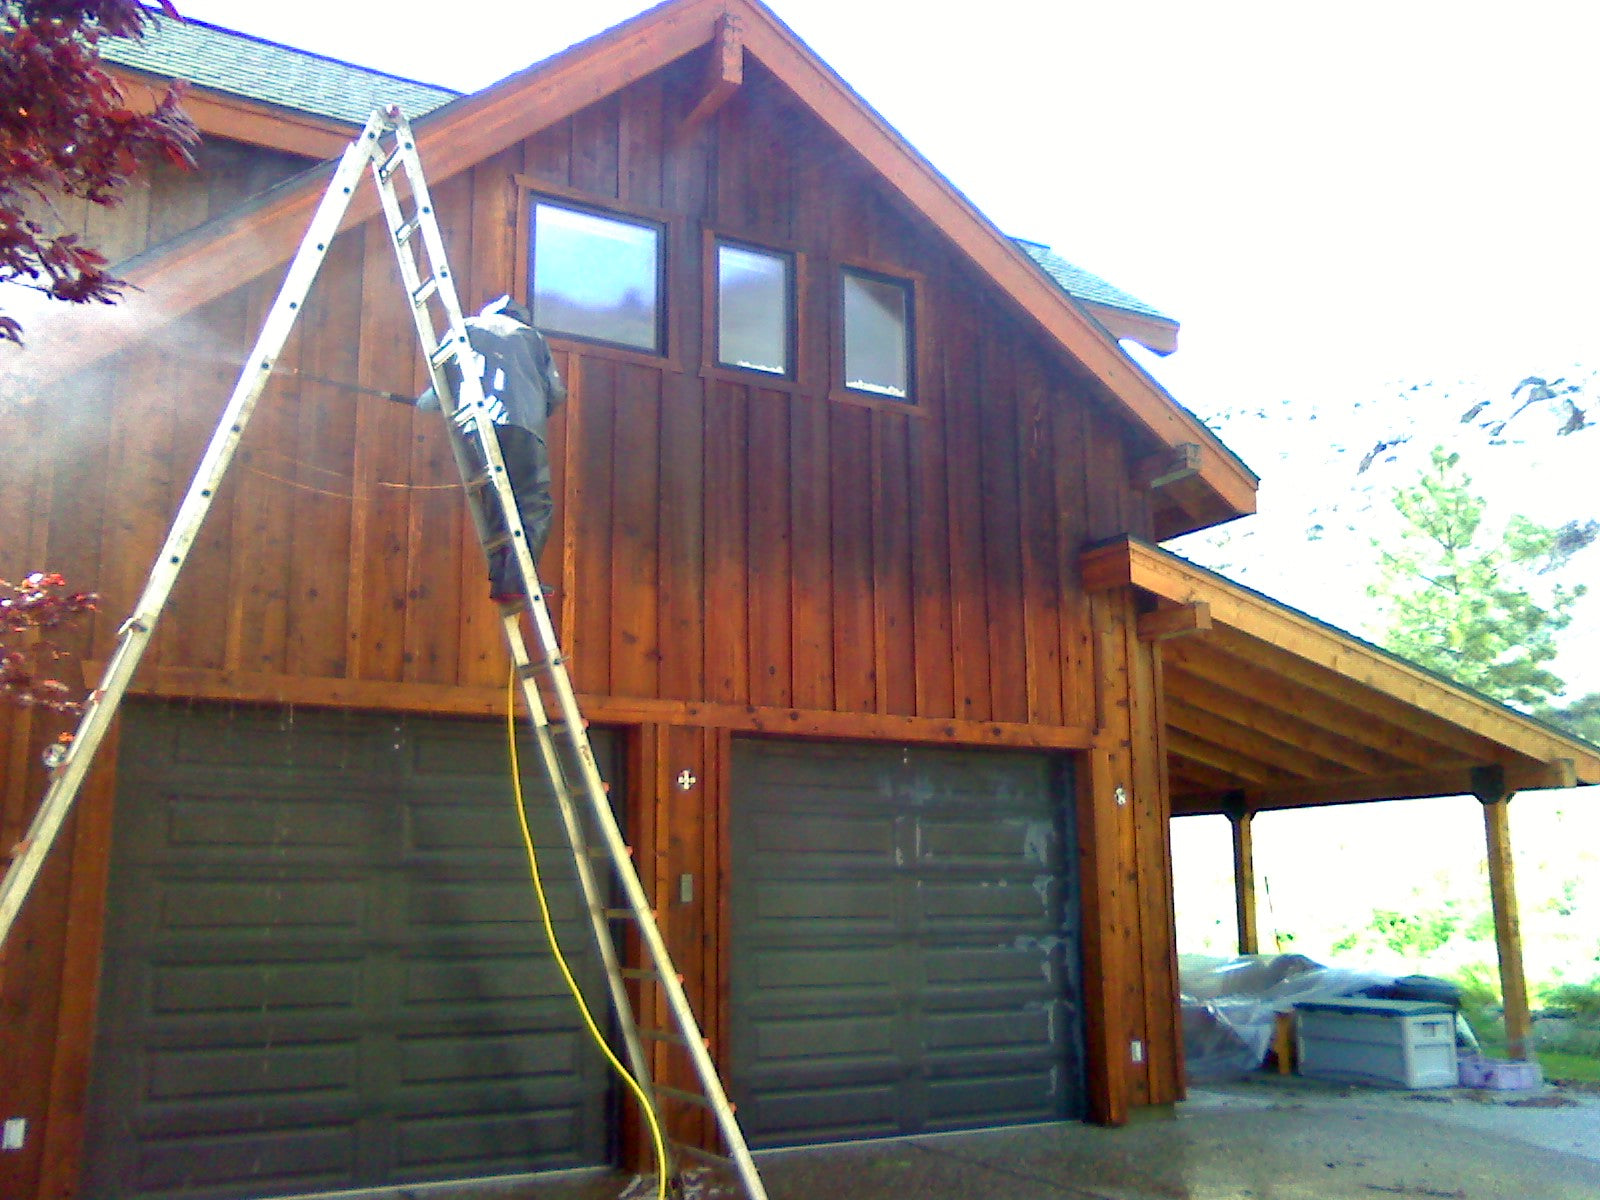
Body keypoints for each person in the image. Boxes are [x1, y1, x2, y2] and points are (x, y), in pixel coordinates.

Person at [418, 296, 566, 602]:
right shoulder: (531, 337)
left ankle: (504, 579)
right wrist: (537, 408)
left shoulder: (467, 328)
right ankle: (515, 582)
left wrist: (427, 403)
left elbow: (442, 380)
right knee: (533, 502)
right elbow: (556, 393)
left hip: (475, 427)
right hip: (523, 427)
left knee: (498, 501)